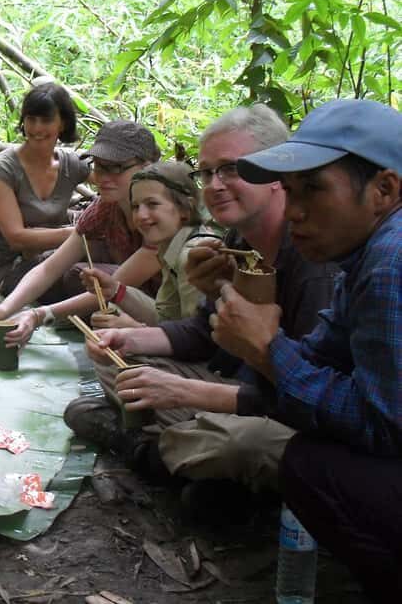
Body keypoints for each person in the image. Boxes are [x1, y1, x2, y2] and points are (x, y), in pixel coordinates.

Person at [72, 104, 337, 509]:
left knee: (240, 441)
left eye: (232, 169)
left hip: (288, 413)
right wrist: (124, 337)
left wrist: (181, 389)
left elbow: (305, 396)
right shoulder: (238, 241)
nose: (215, 184)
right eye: (208, 172)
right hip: (238, 391)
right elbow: (199, 332)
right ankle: (199, 465)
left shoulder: (313, 258)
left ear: (278, 176)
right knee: (117, 358)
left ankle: (151, 454)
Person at [209, 99, 401, 601]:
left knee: (313, 468)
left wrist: (269, 350)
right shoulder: (359, 257)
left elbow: (385, 426)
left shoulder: (390, 262)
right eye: (290, 191)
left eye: (314, 189)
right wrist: (259, 347)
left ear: (384, 189)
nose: (294, 211)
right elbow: (319, 356)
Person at [0, 119, 162, 344]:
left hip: (173, 314)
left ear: (148, 166)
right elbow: (50, 267)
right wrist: (4, 309)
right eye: (99, 166)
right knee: (78, 275)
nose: (103, 177)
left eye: (116, 167)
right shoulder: (105, 207)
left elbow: (117, 286)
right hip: (129, 296)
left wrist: (39, 315)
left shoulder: (164, 212)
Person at [0, 82, 92, 302]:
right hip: (16, 271)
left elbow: (114, 181)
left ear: (62, 124)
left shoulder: (70, 163)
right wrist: (79, 235)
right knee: (83, 273)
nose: (37, 128)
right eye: (31, 119)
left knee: (96, 270)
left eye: (46, 120)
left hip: (62, 256)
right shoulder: (1, 170)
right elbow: (17, 238)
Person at [79, 161, 222, 329]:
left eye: (152, 204)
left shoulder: (192, 254)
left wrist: (136, 329)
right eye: (135, 207)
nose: (141, 215)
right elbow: (166, 316)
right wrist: (115, 290)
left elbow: (200, 336)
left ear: (185, 208)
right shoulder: (170, 249)